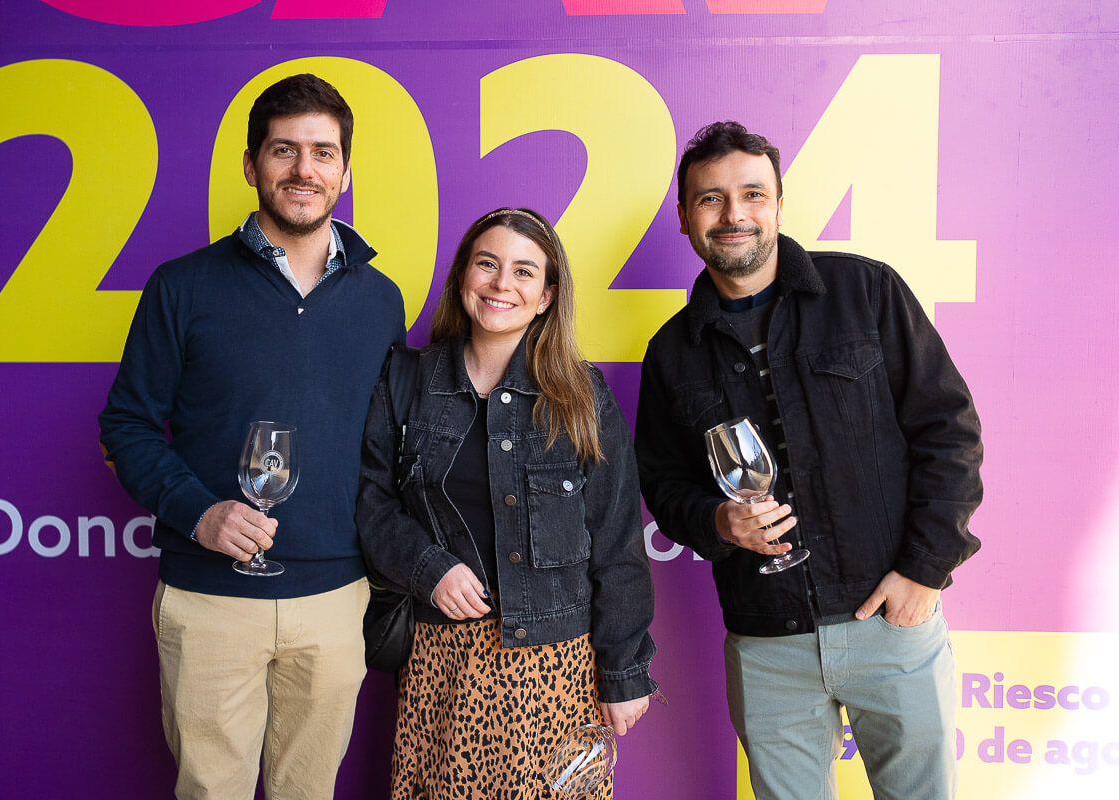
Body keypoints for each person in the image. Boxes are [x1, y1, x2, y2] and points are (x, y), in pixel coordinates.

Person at [635, 121, 983, 799]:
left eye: (751, 194)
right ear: (683, 217)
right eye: (710, 199)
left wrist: (924, 570)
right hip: (767, 643)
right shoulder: (672, 352)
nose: (733, 214)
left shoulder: (866, 292)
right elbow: (663, 483)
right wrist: (716, 522)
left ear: (778, 203)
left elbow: (949, 431)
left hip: (890, 620)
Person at [99, 74, 404, 800]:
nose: (305, 169)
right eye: (284, 150)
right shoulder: (181, 286)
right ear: (251, 165)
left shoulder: (380, 299)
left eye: (323, 153)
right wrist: (199, 513)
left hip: (336, 597)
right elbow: (126, 425)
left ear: (345, 171)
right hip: (209, 597)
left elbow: (385, 446)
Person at [357, 208, 657, 799]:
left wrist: (623, 671)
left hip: (557, 666)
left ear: (546, 297)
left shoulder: (582, 395)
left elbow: (618, 542)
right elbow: (372, 503)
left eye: (524, 271)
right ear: (462, 277)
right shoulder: (406, 380)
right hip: (441, 661)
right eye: (487, 264)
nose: (501, 284)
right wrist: (428, 568)